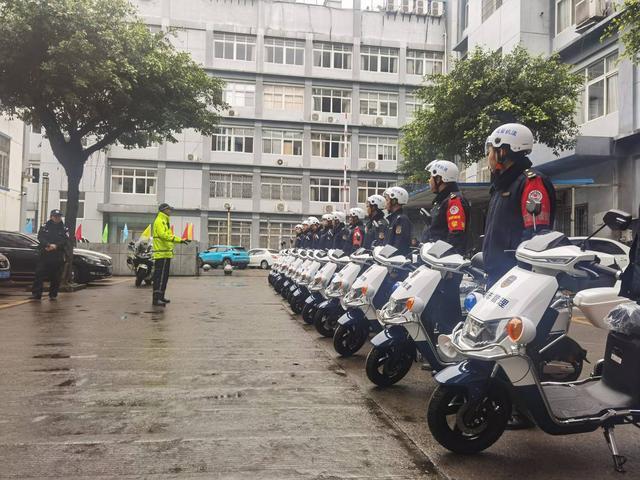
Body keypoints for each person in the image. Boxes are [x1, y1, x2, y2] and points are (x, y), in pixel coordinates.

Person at [483, 123, 556, 287]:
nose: (488, 156)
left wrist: (522, 272)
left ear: (502, 152)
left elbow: (535, 234)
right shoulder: (502, 185)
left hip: (516, 276)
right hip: (497, 273)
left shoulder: (532, 182)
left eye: (491, 150)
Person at [421, 160, 471, 335]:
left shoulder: (453, 201)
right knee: (437, 305)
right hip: (437, 262)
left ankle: (450, 344)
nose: (429, 180)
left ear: (440, 178)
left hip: (447, 265)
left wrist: (449, 265)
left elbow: (455, 235)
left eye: (431, 177)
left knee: (447, 308)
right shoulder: (441, 202)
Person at [152, 203, 189, 306]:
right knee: (159, 277)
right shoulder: (160, 221)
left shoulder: (164, 220)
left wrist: (180, 240)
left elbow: (168, 235)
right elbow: (163, 235)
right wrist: (179, 240)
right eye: (169, 209)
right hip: (162, 253)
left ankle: (161, 296)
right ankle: (156, 299)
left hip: (165, 253)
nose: (170, 211)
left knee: (164, 277)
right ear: (164, 210)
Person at [31, 209, 69, 300]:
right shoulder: (45, 227)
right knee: (39, 274)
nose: (57, 218)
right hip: (45, 254)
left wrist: (56, 246)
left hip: (57, 255)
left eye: (59, 216)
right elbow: (40, 237)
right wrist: (48, 245)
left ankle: (53, 294)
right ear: (51, 217)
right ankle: (36, 294)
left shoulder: (64, 228)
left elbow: (65, 240)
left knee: (56, 276)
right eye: (55, 216)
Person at [383, 186, 412, 256]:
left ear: (394, 201)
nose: (385, 204)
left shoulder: (401, 220)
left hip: (397, 264)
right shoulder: (393, 220)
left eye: (387, 200)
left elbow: (398, 246)